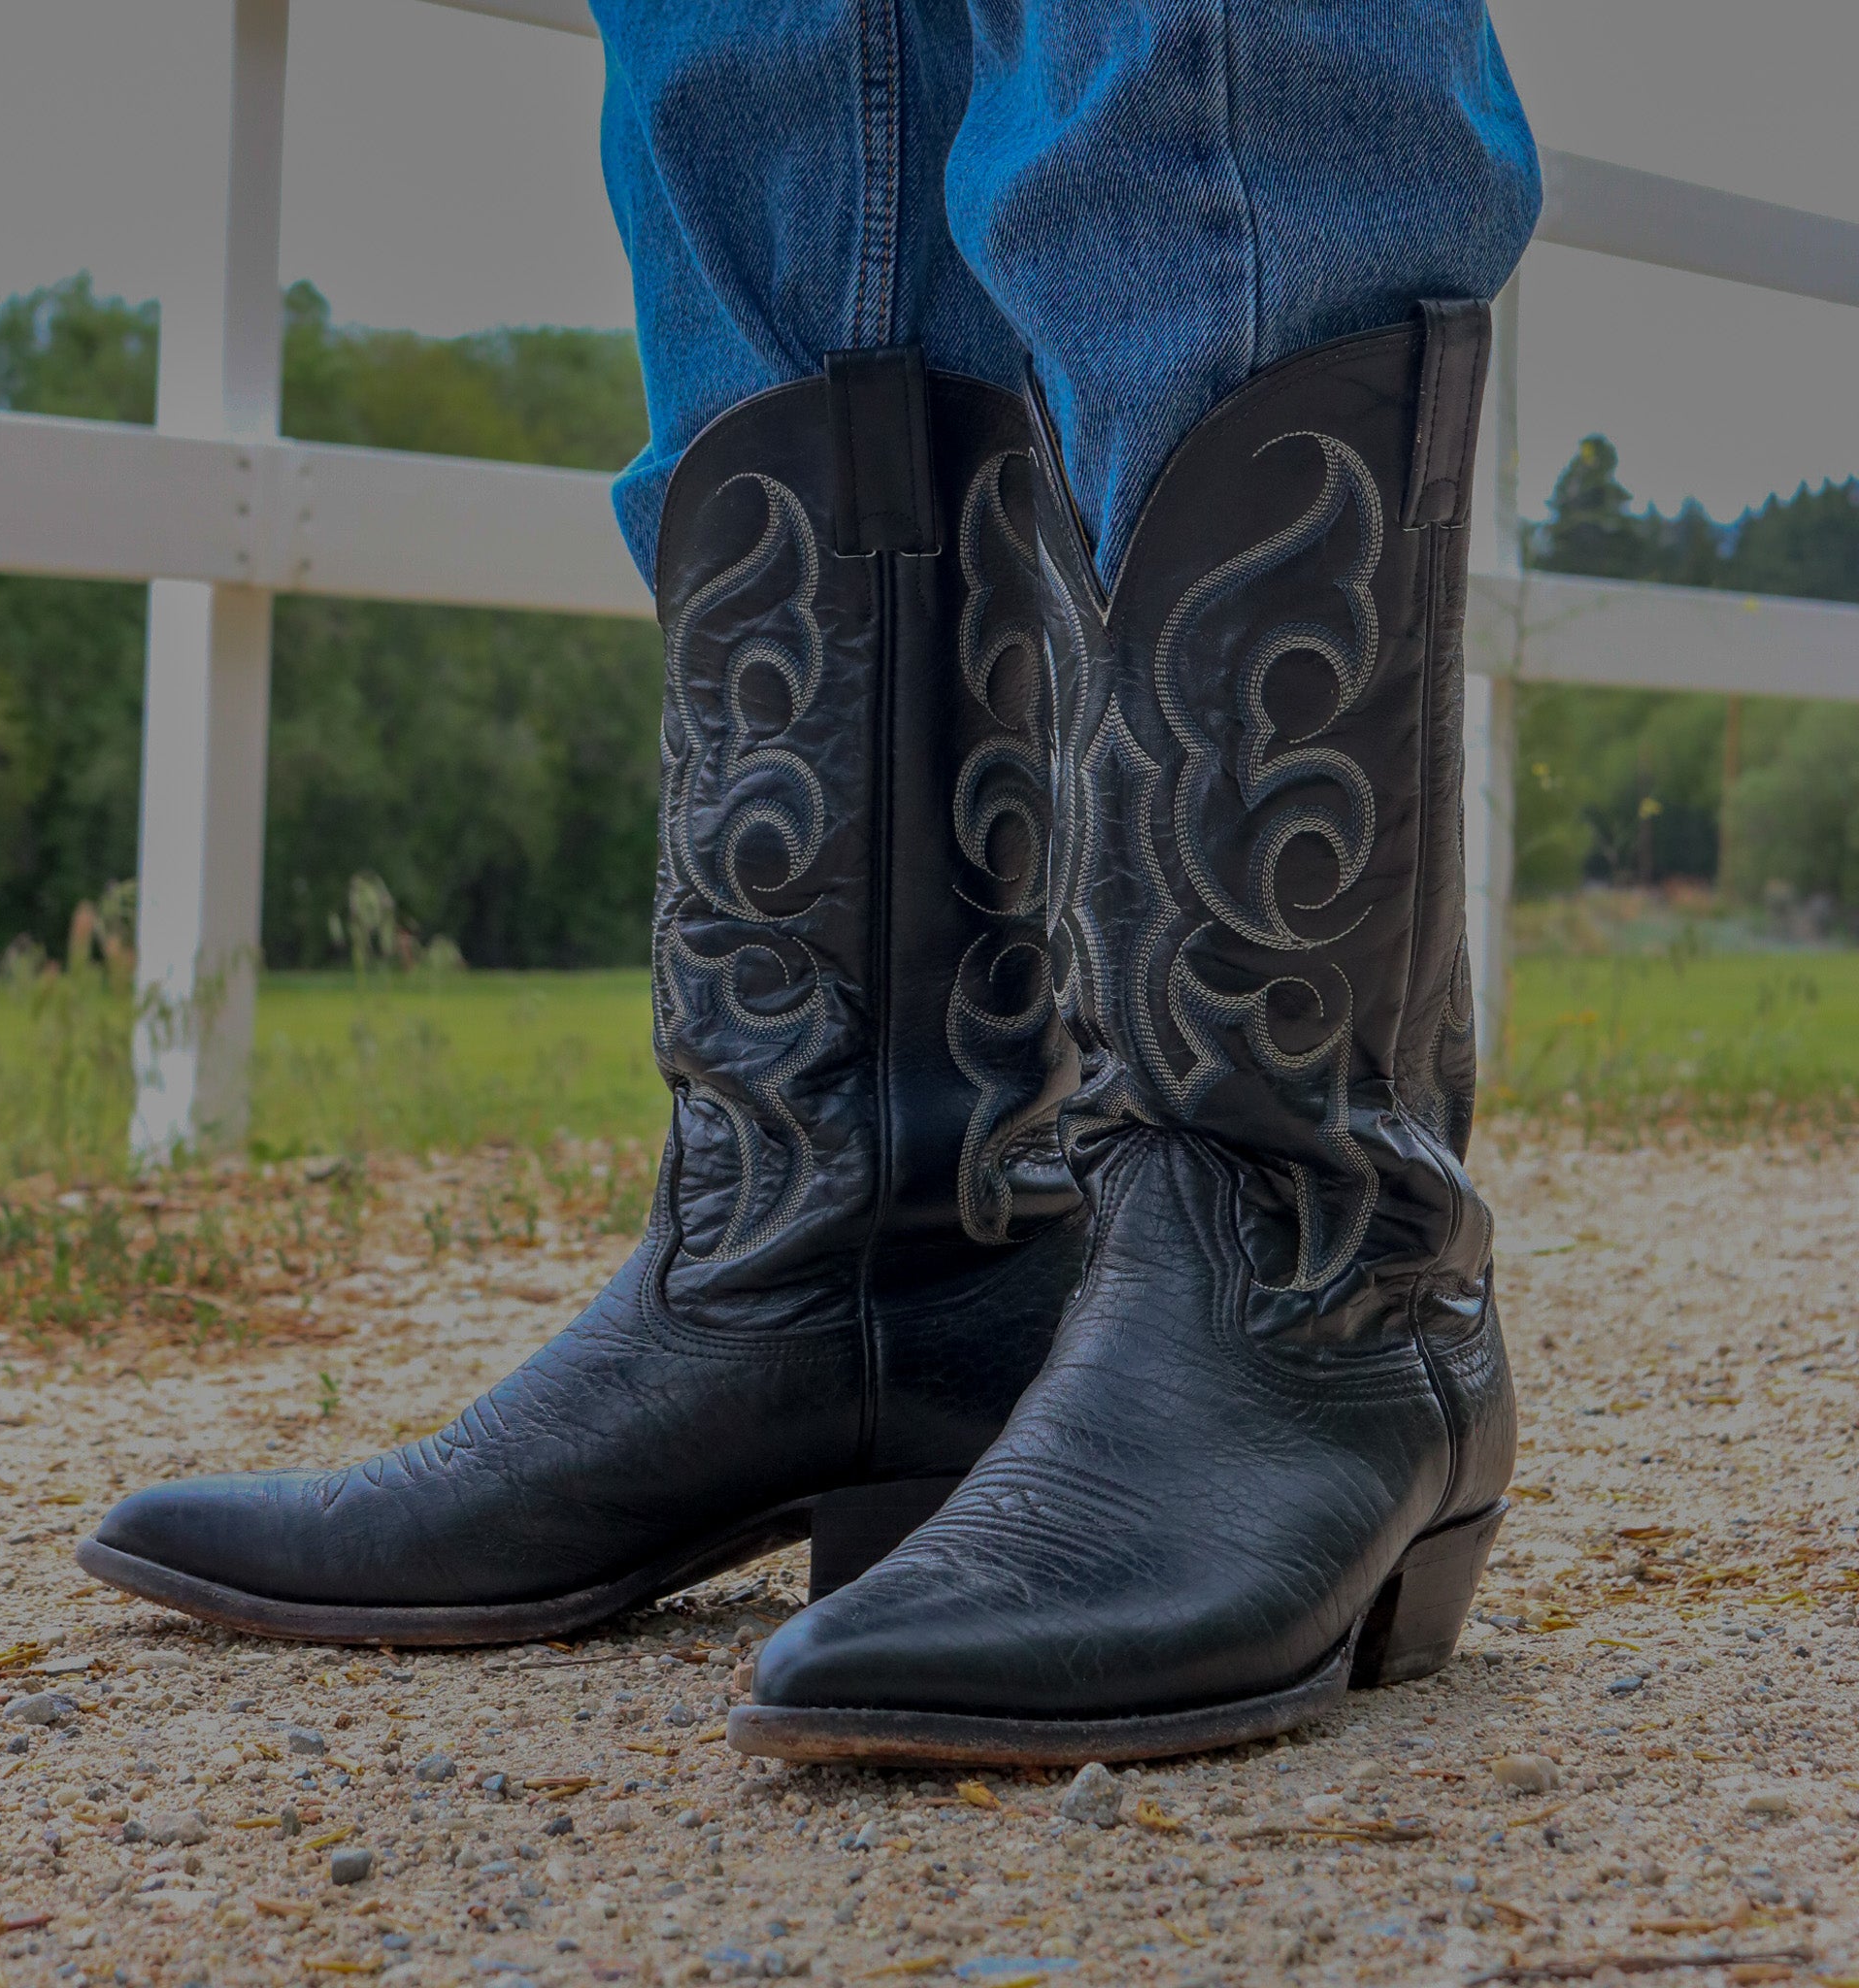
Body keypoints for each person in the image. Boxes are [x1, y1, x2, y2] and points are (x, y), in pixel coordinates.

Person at [80, 1, 1540, 1768]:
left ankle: (1323, 1313)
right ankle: (841, 1260)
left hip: (1307, 1301)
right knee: (767, 85)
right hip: (805, 1258)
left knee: (1192, 79)